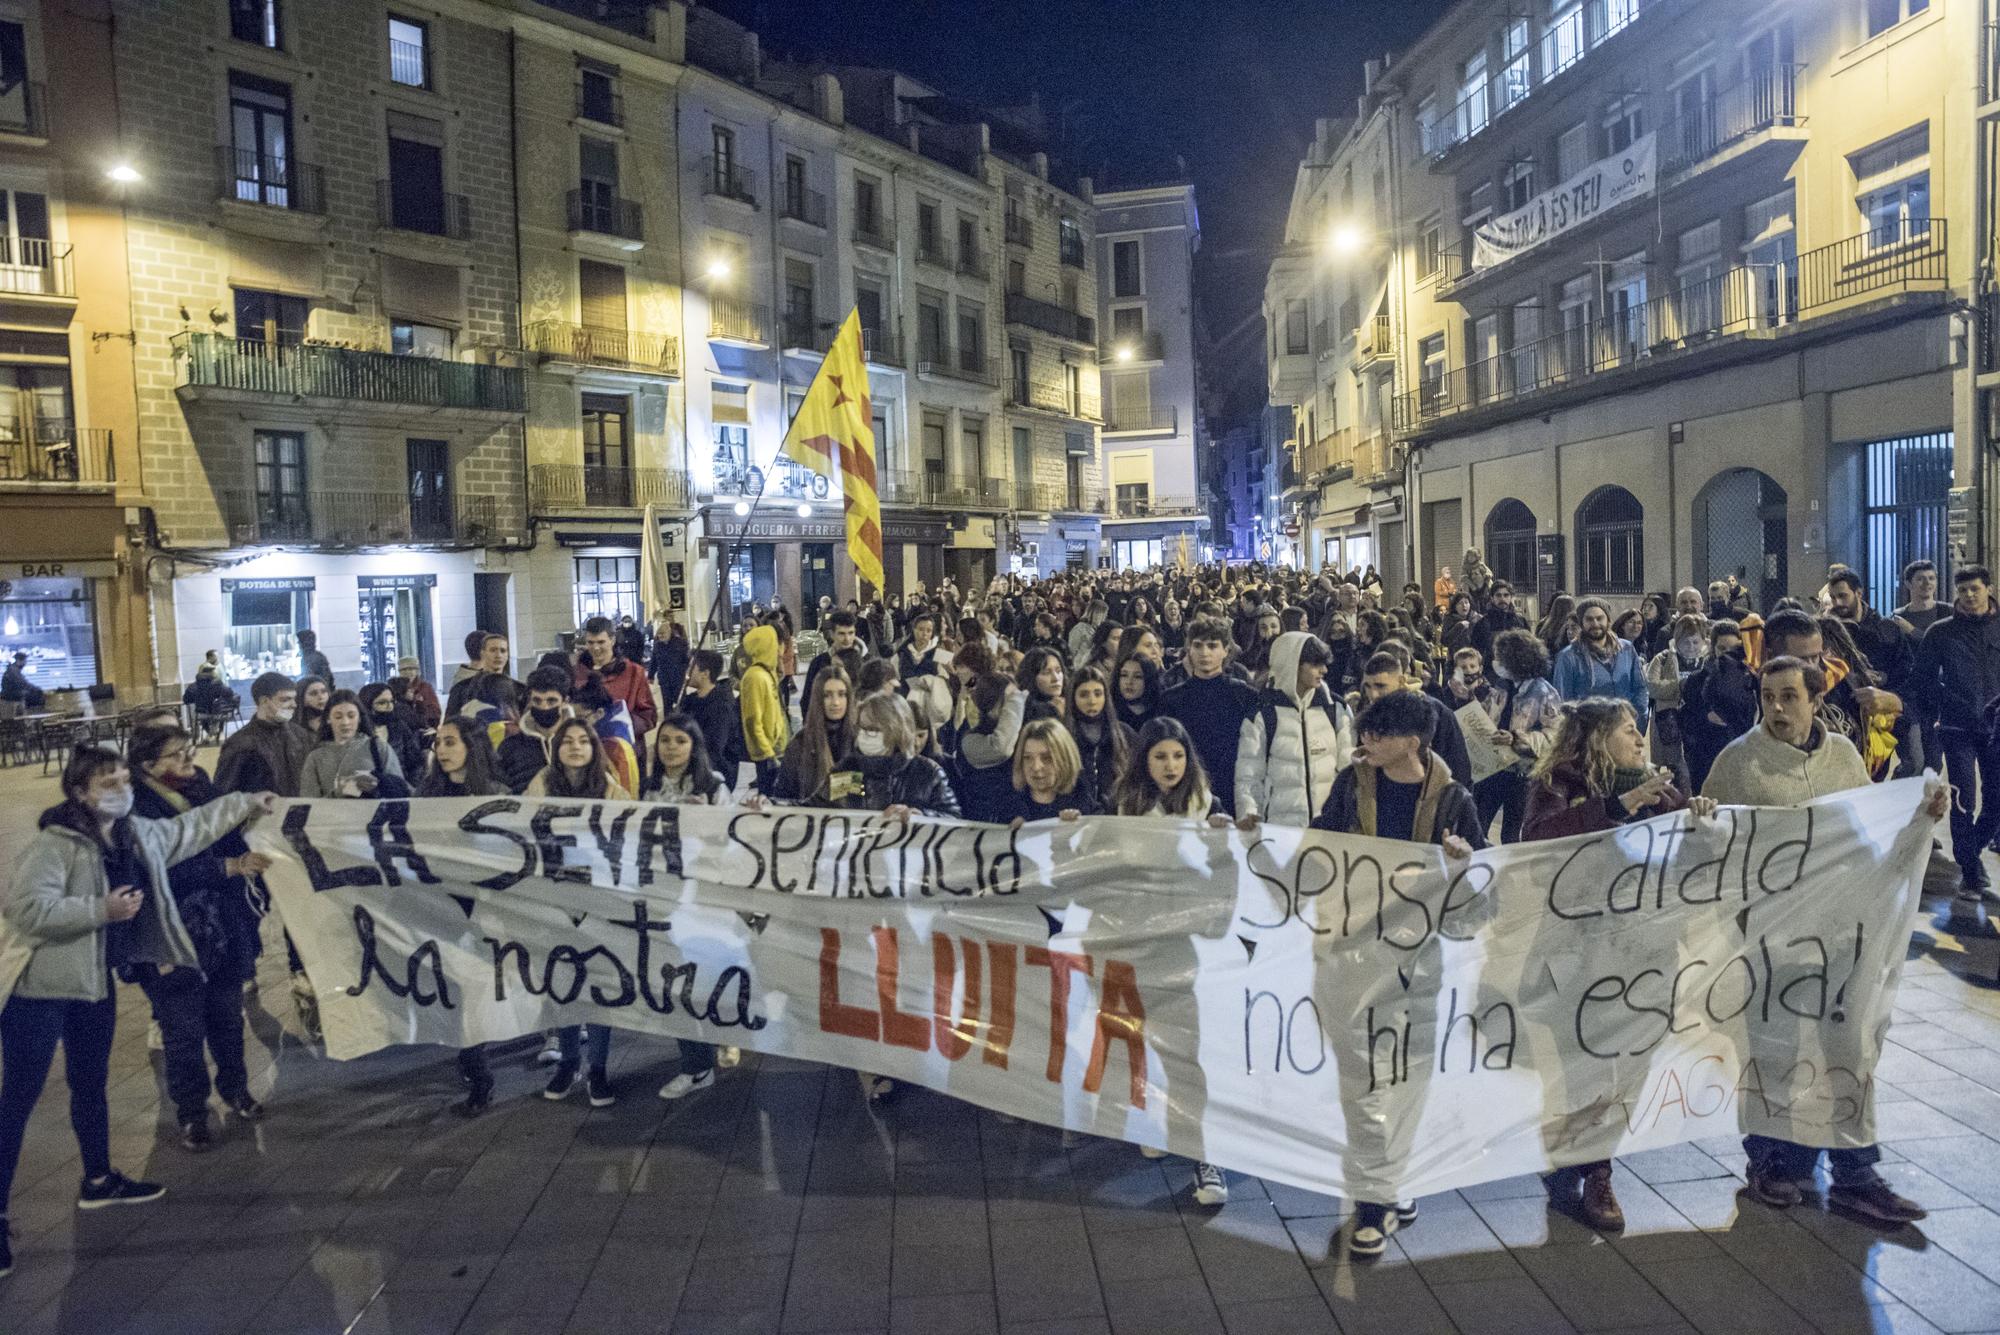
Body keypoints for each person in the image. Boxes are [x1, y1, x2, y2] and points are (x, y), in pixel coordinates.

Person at [2, 747, 274, 1274]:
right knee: (18, 1101)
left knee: (90, 1084)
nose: (122, 789)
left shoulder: (133, 836)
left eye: (125, 779)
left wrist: (245, 802)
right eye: (108, 782)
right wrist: (100, 910)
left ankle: (99, 1180)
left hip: (92, 982)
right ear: (80, 792)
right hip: (39, 990)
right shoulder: (55, 844)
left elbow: (190, 828)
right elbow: (26, 909)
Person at [1703, 655, 1943, 1225]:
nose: (1777, 708)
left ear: (1815, 701)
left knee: (1847, 1048)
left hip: (1839, 933)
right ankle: (1771, 1162)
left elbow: (1865, 833)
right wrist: (1701, 818)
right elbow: (1710, 849)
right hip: (1772, 939)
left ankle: (1856, 1173)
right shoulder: (1737, 761)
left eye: (1789, 697)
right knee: (1775, 1049)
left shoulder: (1842, 757)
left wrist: (1920, 818)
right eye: (1767, 697)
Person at [1523, 698, 1714, 1233]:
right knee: (1587, 1063)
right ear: (1596, 738)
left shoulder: (1663, 792)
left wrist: (1702, 823)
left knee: (1630, 1063)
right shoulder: (1557, 784)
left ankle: (1581, 1147)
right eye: (1628, 730)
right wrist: (1619, 805)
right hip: (1579, 954)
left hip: (1648, 953)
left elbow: (1693, 863)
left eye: (1638, 729)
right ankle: (1599, 1174)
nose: (1639, 738)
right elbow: (1537, 845)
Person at [1311, 689, 1483, 1258]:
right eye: (1366, 730)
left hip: (1418, 963)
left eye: (1379, 733)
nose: (1367, 740)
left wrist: (1461, 867)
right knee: (1361, 1080)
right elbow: (1316, 849)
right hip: (1353, 955)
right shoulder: (1350, 786)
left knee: (1409, 1078)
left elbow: (1480, 903)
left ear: (1412, 742)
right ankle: (1373, 1198)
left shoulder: (1454, 801)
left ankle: (1392, 1178)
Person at [125, 727, 271, 1150]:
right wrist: (226, 867)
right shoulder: (136, 808)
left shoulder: (201, 786)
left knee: (228, 1018)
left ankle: (236, 1089)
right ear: (148, 766)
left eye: (188, 749)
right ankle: (192, 1113)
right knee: (183, 1032)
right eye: (176, 754)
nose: (189, 758)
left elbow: (226, 835)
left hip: (221, 926)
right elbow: (158, 872)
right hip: (172, 933)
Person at [1111, 715, 1232, 1207]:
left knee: (1188, 1045)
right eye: (1160, 756)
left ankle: (1205, 1155)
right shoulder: (1123, 807)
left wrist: (1227, 838)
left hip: (1189, 942)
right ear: (1144, 760)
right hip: (1141, 939)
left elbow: (1226, 872)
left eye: (1178, 756)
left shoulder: (1208, 806)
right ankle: (1157, 1120)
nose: (1170, 765)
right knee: (1145, 1035)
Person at [525, 719, 628, 1107]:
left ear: (594, 748)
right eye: (567, 741)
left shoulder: (611, 790)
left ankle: (597, 1068)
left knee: (598, 981)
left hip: (597, 900)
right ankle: (568, 1062)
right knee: (562, 980)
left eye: (583, 740)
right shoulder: (541, 785)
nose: (575, 747)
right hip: (554, 898)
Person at [1915, 566, 2000, 896]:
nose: (1968, 596)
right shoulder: (1941, 632)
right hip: (1957, 727)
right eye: (1962, 590)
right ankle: (1970, 871)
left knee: (1996, 799)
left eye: (1974, 589)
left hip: (1996, 728)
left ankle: (1971, 852)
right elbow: (1922, 678)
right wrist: (1944, 703)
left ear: (1988, 588)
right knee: (1964, 799)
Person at [1234, 632, 1351, 829]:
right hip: (1280, 829)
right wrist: (1249, 814)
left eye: (1323, 663)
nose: (1324, 670)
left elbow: (1348, 771)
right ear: (1292, 663)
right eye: (1315, 664)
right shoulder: (1263, 715)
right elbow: (1249, 775)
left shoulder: (1336, 709)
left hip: (1330, 829)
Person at [1157, 616, 1259, 815]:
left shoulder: (1245, 696)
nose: (1204, 653)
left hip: (1235, 791)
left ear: (1225, 650)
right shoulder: (1171, 699)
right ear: (1189, 649)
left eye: (1212, 646)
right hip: (1187, 793)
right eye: (1198, 645)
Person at [1474, 629, 1562, 843]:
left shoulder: (1544, 692)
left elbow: (1554, 736)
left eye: (1499, 657)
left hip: (1521, 773)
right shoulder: (1501, 686)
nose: (1496, 662)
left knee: (1511, 832)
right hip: (1492, 768)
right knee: (1477, 825)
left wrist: (1516, 739)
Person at [1358, 649, 1473, 789]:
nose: (1373, 694)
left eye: (1380, 686)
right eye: (1367, 687)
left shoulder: (1434, 712)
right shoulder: (1368, 717)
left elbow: (1459, 769)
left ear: (1401, 681)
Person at [1679, 619, 1758, 794]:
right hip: (1705, 758)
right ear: (1713, 647)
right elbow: (1686, 720)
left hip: (1740, 755)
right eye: (1722, 648)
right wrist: (1705, 717)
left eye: (1733, 648)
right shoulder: (1697, 680)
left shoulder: (1751, 680)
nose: (1727, 654)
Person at [1553, 598, 1649, 730]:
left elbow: (1640, 688)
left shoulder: (1626, 649)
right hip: (1589, 733)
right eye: (1589, 619)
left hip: (1623, 729)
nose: (1595, 623)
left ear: (1608, 620)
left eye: (1599, 618)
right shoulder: (1568, 657)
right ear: (1581, 623)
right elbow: (1564, 702)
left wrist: (1638, 722)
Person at [214, 671, 311, 797]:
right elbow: (224, 794)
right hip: (263, 809)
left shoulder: (299, 734)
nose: (294, 705)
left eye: (294, 699)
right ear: (264, 701)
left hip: (299, 806)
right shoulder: (241, 744)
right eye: (285, 699)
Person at [299, 689, 407, 799]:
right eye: (338, 717)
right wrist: (340, 791)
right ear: (328, 719)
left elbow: (400, 791)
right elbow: (309, 803)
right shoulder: (316, 757)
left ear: (359, 718)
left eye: (351, 716)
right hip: (332, 810)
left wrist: (378, 784)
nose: (345, 722)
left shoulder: (378, 748)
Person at [1643, 613, 1707, 788]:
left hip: (1698, 725)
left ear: (1703, 641)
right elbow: (1652, 686)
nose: (1691, 647)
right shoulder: (1663, 659)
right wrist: (1682, 686)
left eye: (1695, 642)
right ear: (1677, 641)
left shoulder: (1708, 660)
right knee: (1678, 770)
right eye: (1686, 642)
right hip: (1669, 723)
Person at [772, 667, 853, 804]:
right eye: (827, 695)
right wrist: (766, 804)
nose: (835, 702)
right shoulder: (799, 744)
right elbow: (783, 795)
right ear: (818, 698)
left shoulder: (860, 741)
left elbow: (868, 791)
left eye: (842, 694)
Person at [574, 616, 657, 743]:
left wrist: (620, 726)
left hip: (624, 748)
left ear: (612, 640)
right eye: (590, 642)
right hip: (586, 747)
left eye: (601, 642)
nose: (595, 648)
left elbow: (649, 715)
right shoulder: (576, 674)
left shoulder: (634, 673)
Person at [498, 666, 574, 794]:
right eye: (537, 701)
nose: (544, 707)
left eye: (551, 701)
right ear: (530, 701)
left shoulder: (580, 744)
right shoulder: (509, 747)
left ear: (565, 702)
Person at [1068, 666, 1132, 814]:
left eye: (1098, 694)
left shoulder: (1124, 733)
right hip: (1076, 817)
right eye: (1084, 695)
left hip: (1117, 816)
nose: (1092, 701)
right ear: (1073, 698)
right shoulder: (1063, 736)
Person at [1002, 719, 1091, 822]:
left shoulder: (1082, 800)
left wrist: (1078, 825)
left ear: (1065, 759)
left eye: (1047, 758)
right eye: (1027, 758)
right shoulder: (1008, 806)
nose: (1036, 767)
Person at [738, 623, 789, 792]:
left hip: (776, 749)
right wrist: (768, 753)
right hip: (767, 753)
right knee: (768, 796)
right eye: (776, 643)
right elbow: (753, 720)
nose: (780, 648)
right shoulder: (755, 677)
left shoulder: (766, 673)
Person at [642, 714, 728, 805]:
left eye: (681, 741)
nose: (671, 746)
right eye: (665, 740)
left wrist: (707, 812)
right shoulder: (646, 788)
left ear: (694, 747)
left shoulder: (713, 788)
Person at [681, 649, 741, 777]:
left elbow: (714, 748)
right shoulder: (691, 701)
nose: (687, 672)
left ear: (705, 674)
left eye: (691, 668)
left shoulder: (721, 706)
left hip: (714, 774)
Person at [443, 634, 519, 720]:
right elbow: (450, 722)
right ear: (482, 653)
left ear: (507, 655)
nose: (498, 655)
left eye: (503, 651)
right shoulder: (461, 688)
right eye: (493, 650)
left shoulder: (518, 689)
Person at [359, 681, 425, 778]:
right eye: (382, 703)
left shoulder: (398, 726)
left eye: (391, 701)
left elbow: (416, 763)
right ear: (367, 706)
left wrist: (411, 785)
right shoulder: (360, 732)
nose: (389, 707)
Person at [803, 611, 866, 704]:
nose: (847, 639)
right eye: (841, 633)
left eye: (851, 633)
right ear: (832, 634)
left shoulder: (866, 662)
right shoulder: (819, 663)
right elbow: (807, 700)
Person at [1469, 581, 1527, 665]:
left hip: (1516, 669)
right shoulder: (1482, 623)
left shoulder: (1521, 621)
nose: (1502, 599)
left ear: (1511, 597)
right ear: (1492, 598)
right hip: (1490, 670)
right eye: (1498, 595)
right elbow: (1475, 652)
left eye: (1506, 595)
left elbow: (1527, 648)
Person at [181, 662, 238, 740]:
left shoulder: (193, 686)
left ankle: (205, 733)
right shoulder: (217, 684)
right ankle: (214, 732)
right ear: (212, 673)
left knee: (197, 712)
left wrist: (197, 699)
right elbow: (229, 693)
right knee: (219, 709)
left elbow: (186, 699)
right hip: (217, 714)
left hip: (200, 714)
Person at [1112, 651, 1162, 731]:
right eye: (1124, 675)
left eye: (1137, 677)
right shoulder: (1109, 710)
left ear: (1149, 680)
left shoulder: (1161, 711)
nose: (1129, 682)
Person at [649, 618, 691, 712]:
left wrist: (686, 671)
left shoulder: (680, 643)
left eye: (663, 634)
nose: (661, 637)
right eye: (659, 635)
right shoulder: (657, 645)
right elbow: (654, 661)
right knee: (667, 703)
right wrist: (650, 676)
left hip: (678, 677)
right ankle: (668, 719)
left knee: (680, 701)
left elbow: (687, 659)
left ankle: (682, 718)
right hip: (664, 678)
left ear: (668, 632)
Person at [1016, 647, 1067, 723]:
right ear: (1031, 677)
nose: (1056, 678)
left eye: (1058, 671)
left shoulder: (1071, 701)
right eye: (1046, 673)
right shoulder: (1027, 711)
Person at [397, 657, 443, 731]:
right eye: (404, 669)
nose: (407, 672)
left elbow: (435, 712)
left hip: (423, 728)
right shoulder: (394, 688)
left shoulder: (425, 687)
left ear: (417, 671)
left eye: (411, 669)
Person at [293, 675, 331, 746]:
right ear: (301, 698)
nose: (321, 697)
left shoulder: (335, 720)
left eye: (324, 691)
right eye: (313, 693)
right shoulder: (293, 728)